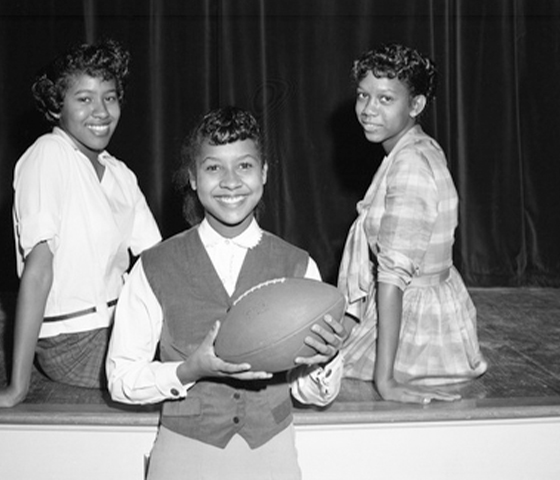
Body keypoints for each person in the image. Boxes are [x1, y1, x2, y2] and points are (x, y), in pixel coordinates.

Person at [107, 106, 345, 479]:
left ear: (264, 173)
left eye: (245, 166)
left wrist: (326, 360)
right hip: (185, 456)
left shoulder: (299, 266)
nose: (230, 181)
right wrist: (188, 371)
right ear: (193, 177)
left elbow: (313, 394)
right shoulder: (153, 266)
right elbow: (121, 381)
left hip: (272, 455)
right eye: (214, 167)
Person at [0, 39, 161, 410]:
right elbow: (38, 272)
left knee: (208, 347)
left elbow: (160, 262)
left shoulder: (120, 173)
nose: (101, 111)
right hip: (72, 343)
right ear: (57, 106)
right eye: (84, 98)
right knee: (191, 369)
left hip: (121, 326)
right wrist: (16, 388)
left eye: (109, 97)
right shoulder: (47, 155)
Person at [337, 43, 487, 404]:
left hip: (417, 329)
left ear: (415, 105)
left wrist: (385, 380)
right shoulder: (417, 146)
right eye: (363, 96)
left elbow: (392, 276)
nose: (368, 110)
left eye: (385, 99)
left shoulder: (410, 165)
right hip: (421, 305)